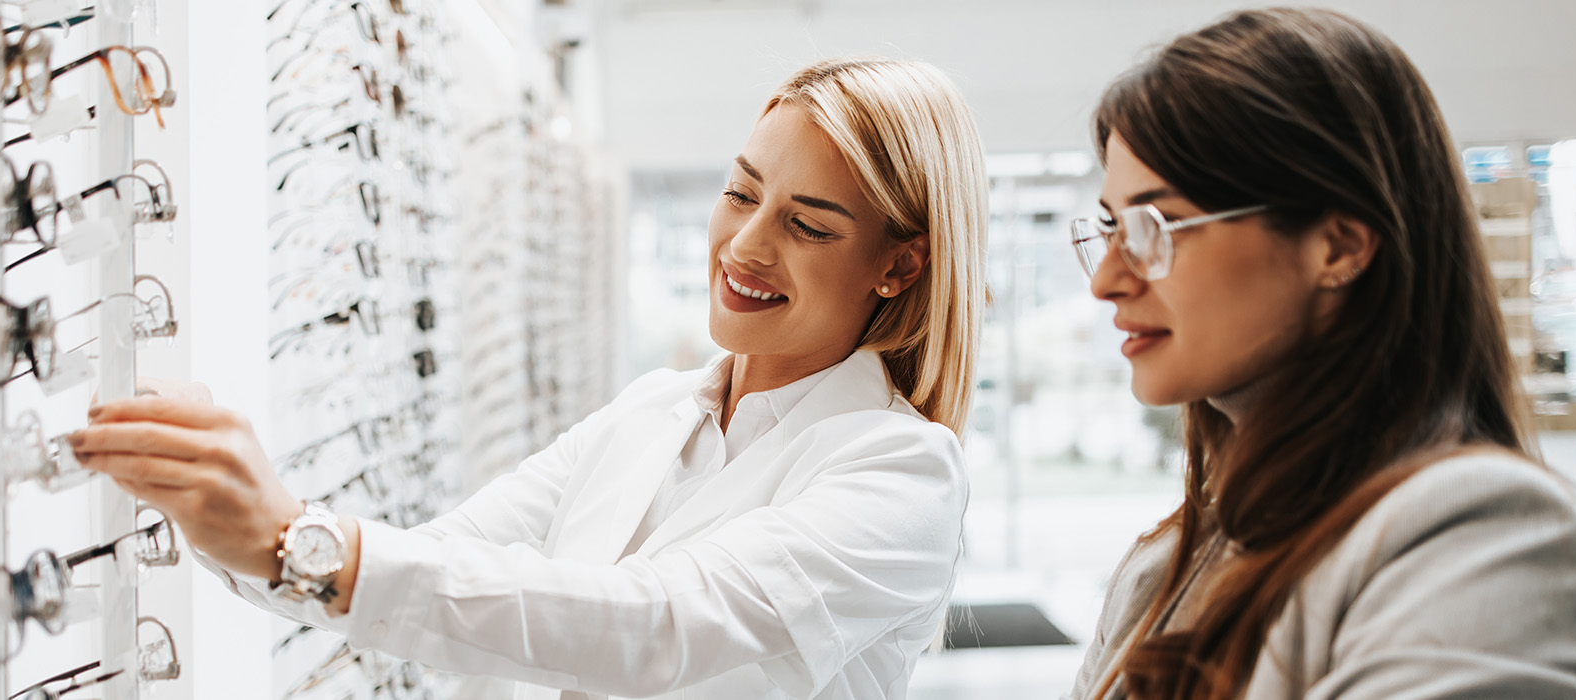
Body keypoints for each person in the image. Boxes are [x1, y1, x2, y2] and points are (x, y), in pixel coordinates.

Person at [68, 56, 989, 700]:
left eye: (809, 225)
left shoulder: (903, 473)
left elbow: (656, 629)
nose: (745, 246)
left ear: (898, 266)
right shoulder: (652, 413)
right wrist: (217, 512)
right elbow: (434, 566)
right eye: (742, 193)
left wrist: (299, 540)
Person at [1064, 8, 1576, 699]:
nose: (1107, 280)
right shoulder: (1168, 560)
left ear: (1337, 246)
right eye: (1110, 228)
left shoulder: (1481, 530)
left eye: (1156, 226)